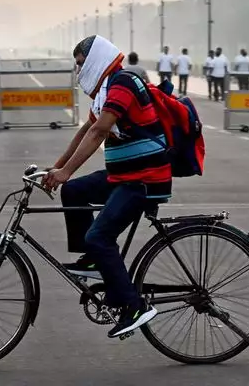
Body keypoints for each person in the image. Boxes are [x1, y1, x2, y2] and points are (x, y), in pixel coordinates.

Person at [43, 35, 165, 339]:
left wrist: (66, 171)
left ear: (97, 58)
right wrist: (58, 170)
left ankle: (135, 307)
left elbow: (98, 131)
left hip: (144, 179)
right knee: (73, 192)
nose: (78, 69)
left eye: (81, 63)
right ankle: (95, 261)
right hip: (123, 175)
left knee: (99, 236)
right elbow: (86, 129)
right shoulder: (105, 91)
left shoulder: (122, 83)